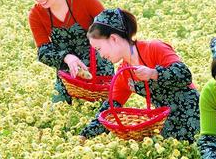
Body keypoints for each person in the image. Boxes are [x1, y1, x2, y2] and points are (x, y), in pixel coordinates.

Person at [79, 8, 200, 142]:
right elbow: (110, 108)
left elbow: (184, 75)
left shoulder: (154, 48)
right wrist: (84, 135)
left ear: (113, 39)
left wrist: (154, 73)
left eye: (99, 49)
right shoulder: (123, 73)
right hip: (167, 124)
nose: (101, 55)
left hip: (195, 115)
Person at [24, 0, 114, 104]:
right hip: (67, 73)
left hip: (99, 68)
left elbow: (111, 27)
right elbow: (43, 52)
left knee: (101, 112)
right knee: (61, 112)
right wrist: (66, 57)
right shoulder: (36, 15)